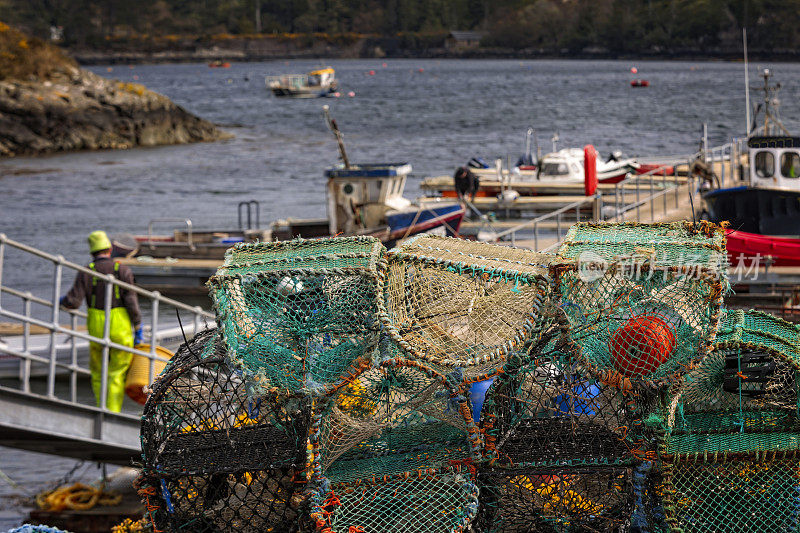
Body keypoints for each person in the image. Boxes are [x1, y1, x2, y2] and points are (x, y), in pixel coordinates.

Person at [60, 231, 142, 412]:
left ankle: (100, 408)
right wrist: (137, 326)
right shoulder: (122, 270)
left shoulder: (87, 271)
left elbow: (73, 302)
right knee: (117, 373)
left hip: (96, 326)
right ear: (110, 249)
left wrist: (62, 302)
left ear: (92, 252)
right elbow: (131, 302)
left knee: (97, 373)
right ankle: (112, 412)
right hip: (121, 328)